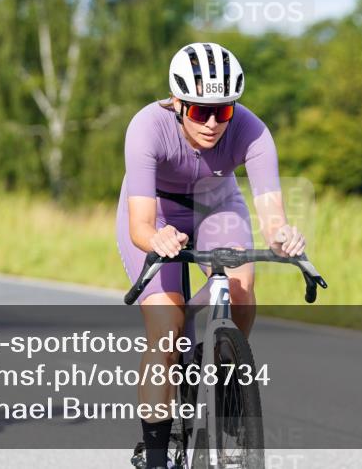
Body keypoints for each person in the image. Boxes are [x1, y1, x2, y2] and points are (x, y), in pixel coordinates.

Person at [118, 42, 306, 469]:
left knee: (240, 286)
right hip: (157, 212)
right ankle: (157, 455)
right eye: (200, 111)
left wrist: (282, 236)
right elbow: (140, 225)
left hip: (217, 206)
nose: (211, 123)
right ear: (177, 103)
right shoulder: (146, 126)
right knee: (167, 331)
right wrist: (157, 238)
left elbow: (272, 217)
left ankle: (225, 369)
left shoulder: (252, 130)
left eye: (222, 112)